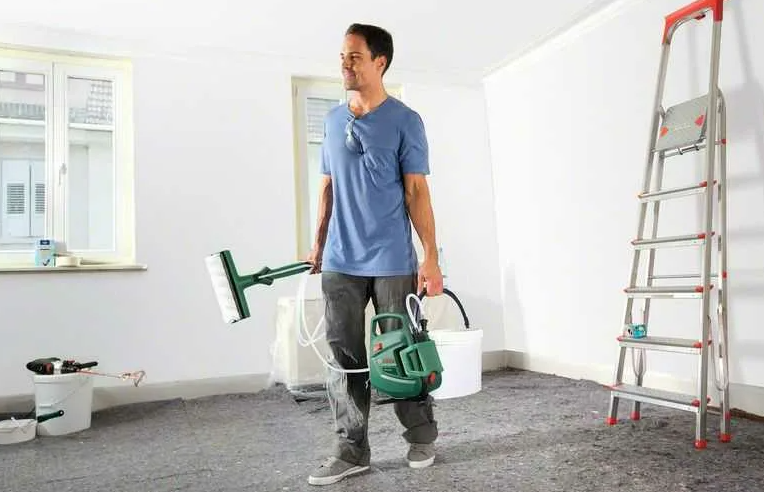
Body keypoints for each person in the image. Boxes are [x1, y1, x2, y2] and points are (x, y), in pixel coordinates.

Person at [305, 23, 444, 486]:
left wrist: (431, 257)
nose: (345, 64)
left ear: (379, 62)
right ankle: (351, 450)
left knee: (401, 352)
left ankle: (420, 435)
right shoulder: (331, 121)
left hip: (391, 259)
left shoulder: (405, 120)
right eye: (342, 56)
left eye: (355, 56)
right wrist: (319, 242)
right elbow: (327, 186)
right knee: (344, 359)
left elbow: (416, 191)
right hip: (340, 260)